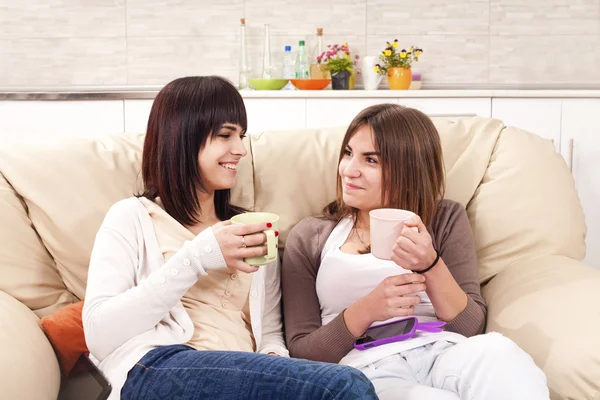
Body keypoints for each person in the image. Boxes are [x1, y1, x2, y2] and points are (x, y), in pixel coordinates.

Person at [82, 76, 377, 400]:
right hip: (155, 367)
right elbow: (98, 333)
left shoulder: (250, 228)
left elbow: (268, 334)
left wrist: (278, 367)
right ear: (182, 138)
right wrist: (198, 257)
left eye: (241, 136)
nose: (240, 150)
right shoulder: (132, 217)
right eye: (225, 135)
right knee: (345, 385)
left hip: (240, 376)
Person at [281, 103, 550, 400]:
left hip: (444, 352)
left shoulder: (444, 219)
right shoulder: (311, 236)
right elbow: (302, 350)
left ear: (409, 168)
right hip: (368, 368)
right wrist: (368, 309)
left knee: (499, 351)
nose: (348, 170)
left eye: (370, 160)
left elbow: (470, 327)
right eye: (348, 153)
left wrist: (431, 265)